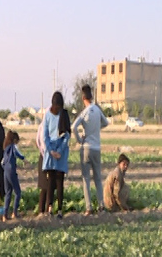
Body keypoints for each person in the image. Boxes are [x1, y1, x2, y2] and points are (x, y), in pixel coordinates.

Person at [72, 84, 109, 215]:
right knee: (98, 178)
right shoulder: (97, 110)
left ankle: (88, 207)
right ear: (91, 96)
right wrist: (97, 129)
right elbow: (106, 122)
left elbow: (73, 127)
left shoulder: (84, 112)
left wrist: (79, 140)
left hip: (86, 147)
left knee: (86, 179)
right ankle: (101, 205)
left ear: (83, 98)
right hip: (97, 148)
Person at [43, 91, 71, 219]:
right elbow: (45, 136)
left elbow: (67, 135)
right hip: (51, 152)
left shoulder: (64, 115)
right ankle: (49, 208)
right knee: (51, 182)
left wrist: (59, 150)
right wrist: (50, 150)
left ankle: (60, 210)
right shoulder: (47, 115)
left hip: (61, 152)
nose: (57, 109)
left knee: (60, 182)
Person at [1, 130, 25, 221]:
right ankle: (14, 213)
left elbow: (2, 163)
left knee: (8, 193)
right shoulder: (13, 147)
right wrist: (24, 159)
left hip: (5, 172)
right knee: (18, 192)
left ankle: (4, 215)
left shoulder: (5, 149)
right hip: (11, 171)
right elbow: (17, 153)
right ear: (14, 140)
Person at [35, 120, 48, 215]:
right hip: (47, 156)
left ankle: (43, 210)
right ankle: (44, 210)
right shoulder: (46, 126)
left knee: (46, 186)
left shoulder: (41, 125)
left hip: (43, 156)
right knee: (46, 185)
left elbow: (38, 142)